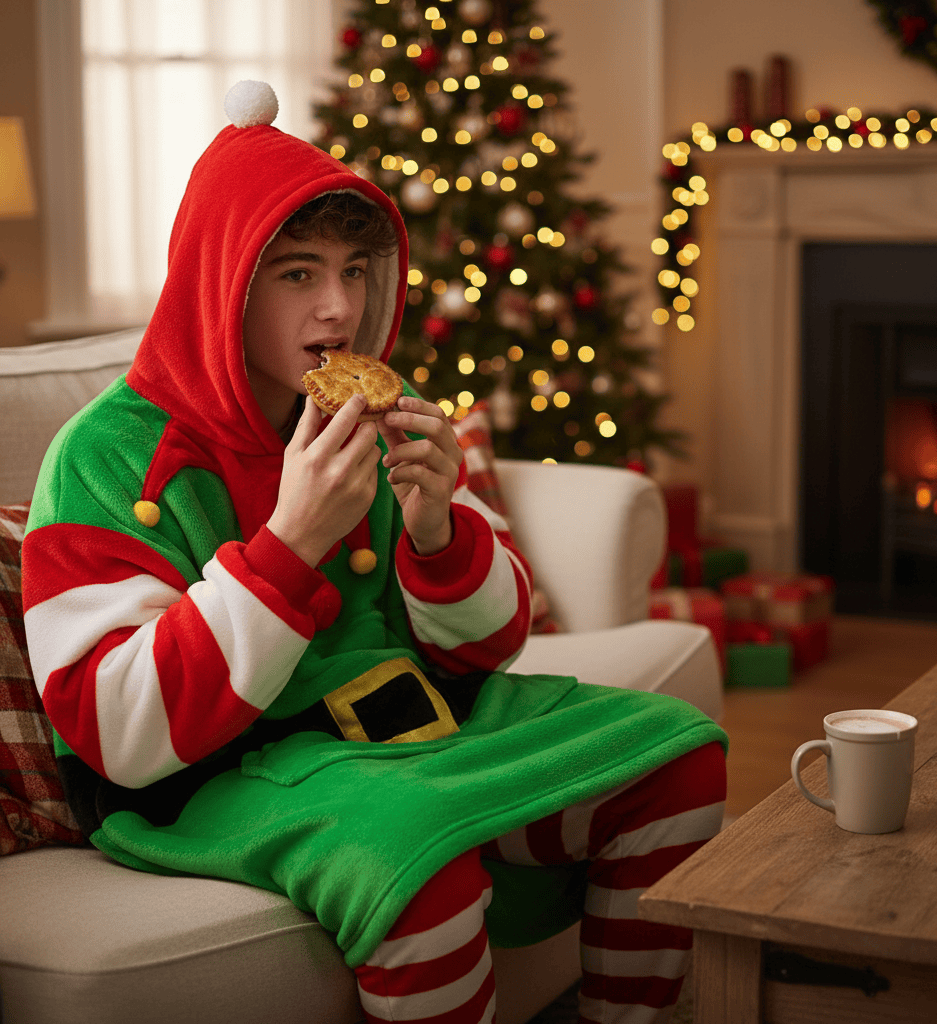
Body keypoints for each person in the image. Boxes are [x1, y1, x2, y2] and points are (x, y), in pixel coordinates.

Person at [22, 82, 727, 1024]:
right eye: (298, 274)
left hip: (410, 726)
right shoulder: (106, 456)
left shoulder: (368, 411)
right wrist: (291, 543)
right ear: (218, 284)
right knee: (414, 863)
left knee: (677, 755)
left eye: (356, 271)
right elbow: (118, 729)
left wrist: (439, 535)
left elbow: (489, 648)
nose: (341, 306)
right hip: (221, 773)